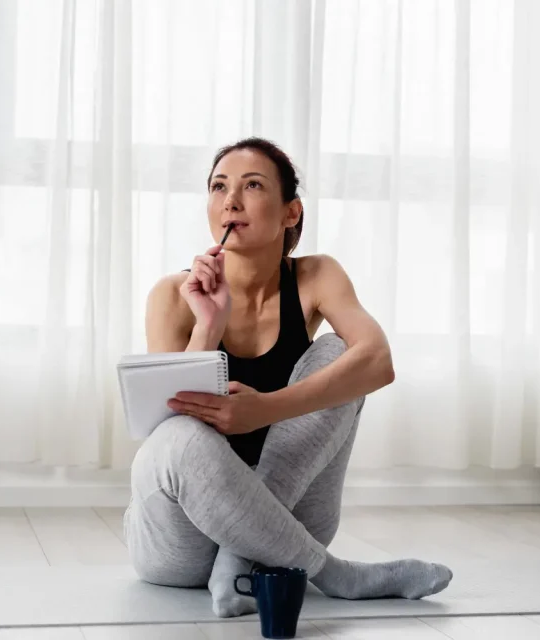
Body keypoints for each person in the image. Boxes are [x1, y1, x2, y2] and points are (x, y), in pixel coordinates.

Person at [124, 137, 453, 618]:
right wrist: (207, 325)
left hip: (285, 523)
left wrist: (265, 407)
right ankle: (337, 575)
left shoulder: (316, 276)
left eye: (251, 185)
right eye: (218, 187)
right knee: (176, 436)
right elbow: (169, 429)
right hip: (182, 542)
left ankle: (239, 562)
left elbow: (378, 361)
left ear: (290, 213)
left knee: (343, 353)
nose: (230, 200)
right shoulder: (173, 295)